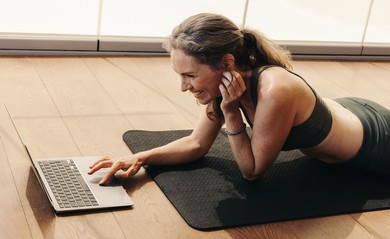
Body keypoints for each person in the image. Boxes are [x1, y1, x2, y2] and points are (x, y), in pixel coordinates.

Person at [89, 13, 390, 185]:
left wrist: (231, 113)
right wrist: (140, 158)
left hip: (378, 144)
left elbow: (252, 170)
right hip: (350, 111)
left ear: (227, 63)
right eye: (179, 75)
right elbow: (196, 143)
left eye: (190, 76)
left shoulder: (274, 90)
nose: (183, 87)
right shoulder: (228, 80)